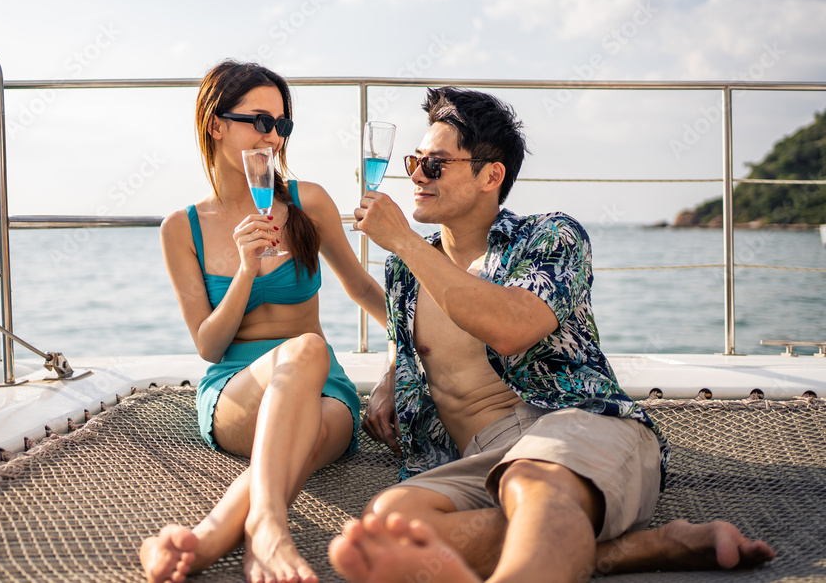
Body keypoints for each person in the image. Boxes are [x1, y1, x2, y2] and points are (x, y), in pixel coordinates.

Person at [329, 86, 776, 583]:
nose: (415, 175)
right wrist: (393, 374)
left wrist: (406, 241)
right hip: (479, 457)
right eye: (414, 161)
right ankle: (644, 547)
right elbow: (408, 339)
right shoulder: (404, 273)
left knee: (531, 476)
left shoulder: (550, 237)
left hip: (573, 423)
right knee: (388, 525)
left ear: (490, 176)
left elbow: (510, 329)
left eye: (435, 165)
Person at [140, 60, 386, 583]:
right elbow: (209, 344)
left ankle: (212, 536)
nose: (272, 136)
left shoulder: (308, 202)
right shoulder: (181, 228)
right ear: (216, 123)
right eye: (259, 120)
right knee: (307, 349)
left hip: (325, 393)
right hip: (237, 389)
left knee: (312, 385)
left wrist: (426, 342)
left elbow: (362, 288)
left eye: (282, 124)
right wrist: (245, 272)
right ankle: (268, 528)